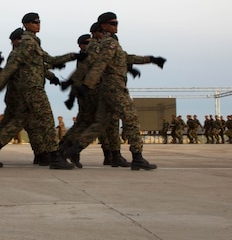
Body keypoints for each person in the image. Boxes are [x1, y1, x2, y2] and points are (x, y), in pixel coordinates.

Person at [59, 12, 164, 170]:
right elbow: (99, 64)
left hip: (105, 89)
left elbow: (124, 58)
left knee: (99, 124)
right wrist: (85, 86)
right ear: (104, 26)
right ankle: (137, 157)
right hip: (115, 88)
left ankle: (68, 152)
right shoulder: (109, 43)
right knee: (131, 120)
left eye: (116, 23)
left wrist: (151, 59)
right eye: (112, 23)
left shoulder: (109, 43)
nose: (116, 26)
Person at [0, 12, 79, 169]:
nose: (38, 24)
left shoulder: (33, 43)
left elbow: (44, 63)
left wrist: (73, 56)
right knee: (46, 120)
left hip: (29, 90)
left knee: (20, 122)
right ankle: (54, 156)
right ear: (26, 25)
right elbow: (11, 67)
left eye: (39, 21)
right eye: (34, 22)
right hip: (30, 90)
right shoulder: (27, 43)